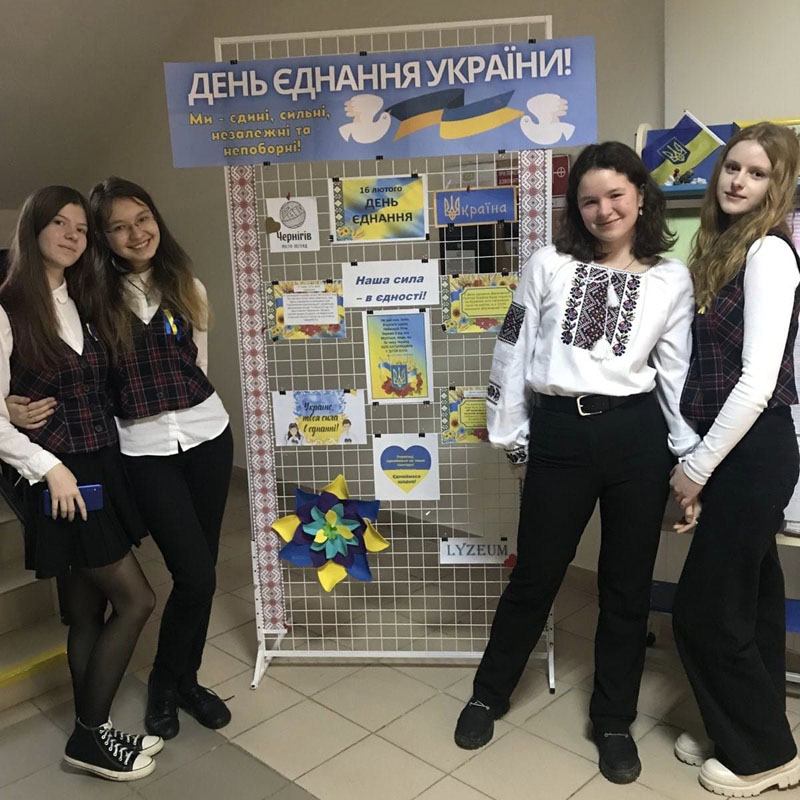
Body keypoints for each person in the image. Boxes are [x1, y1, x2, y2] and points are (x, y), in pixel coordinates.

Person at [454, 142, 701, 784]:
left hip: (637, 437)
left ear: (640, 195)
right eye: (589, 200)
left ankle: (613, 720)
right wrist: (513, 437)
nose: (603, 210)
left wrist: (689, 461)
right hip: (561, 433)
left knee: (626, 585)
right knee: (537, 573)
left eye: (616, 195)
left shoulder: (671, 278)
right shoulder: (549, 263)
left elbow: (675, 374)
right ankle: (489, 693)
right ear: (576, 208)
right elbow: (512, 349)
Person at [0, 186, 159, 780]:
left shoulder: (80, 299)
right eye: (59, 224)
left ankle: (94, 726)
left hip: (98, 467)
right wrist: (48, 466)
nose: (72, 235)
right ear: (33, 229)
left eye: (81, 228)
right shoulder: (7, 308)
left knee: (87, 612)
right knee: (137, 600)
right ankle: (89, 737)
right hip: (60, 479)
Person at [669, 122, 800, 797]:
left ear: (778, 187)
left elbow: (756, 382)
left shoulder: (769, 254)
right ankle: (742, 727)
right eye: (732, 167)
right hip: (733, 452)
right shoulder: (722, 247)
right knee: (751, 603)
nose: (738, 181)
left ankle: (764, 755)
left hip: (753, 451)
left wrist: (696, 469)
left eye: (757, 173)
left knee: (704, 610)